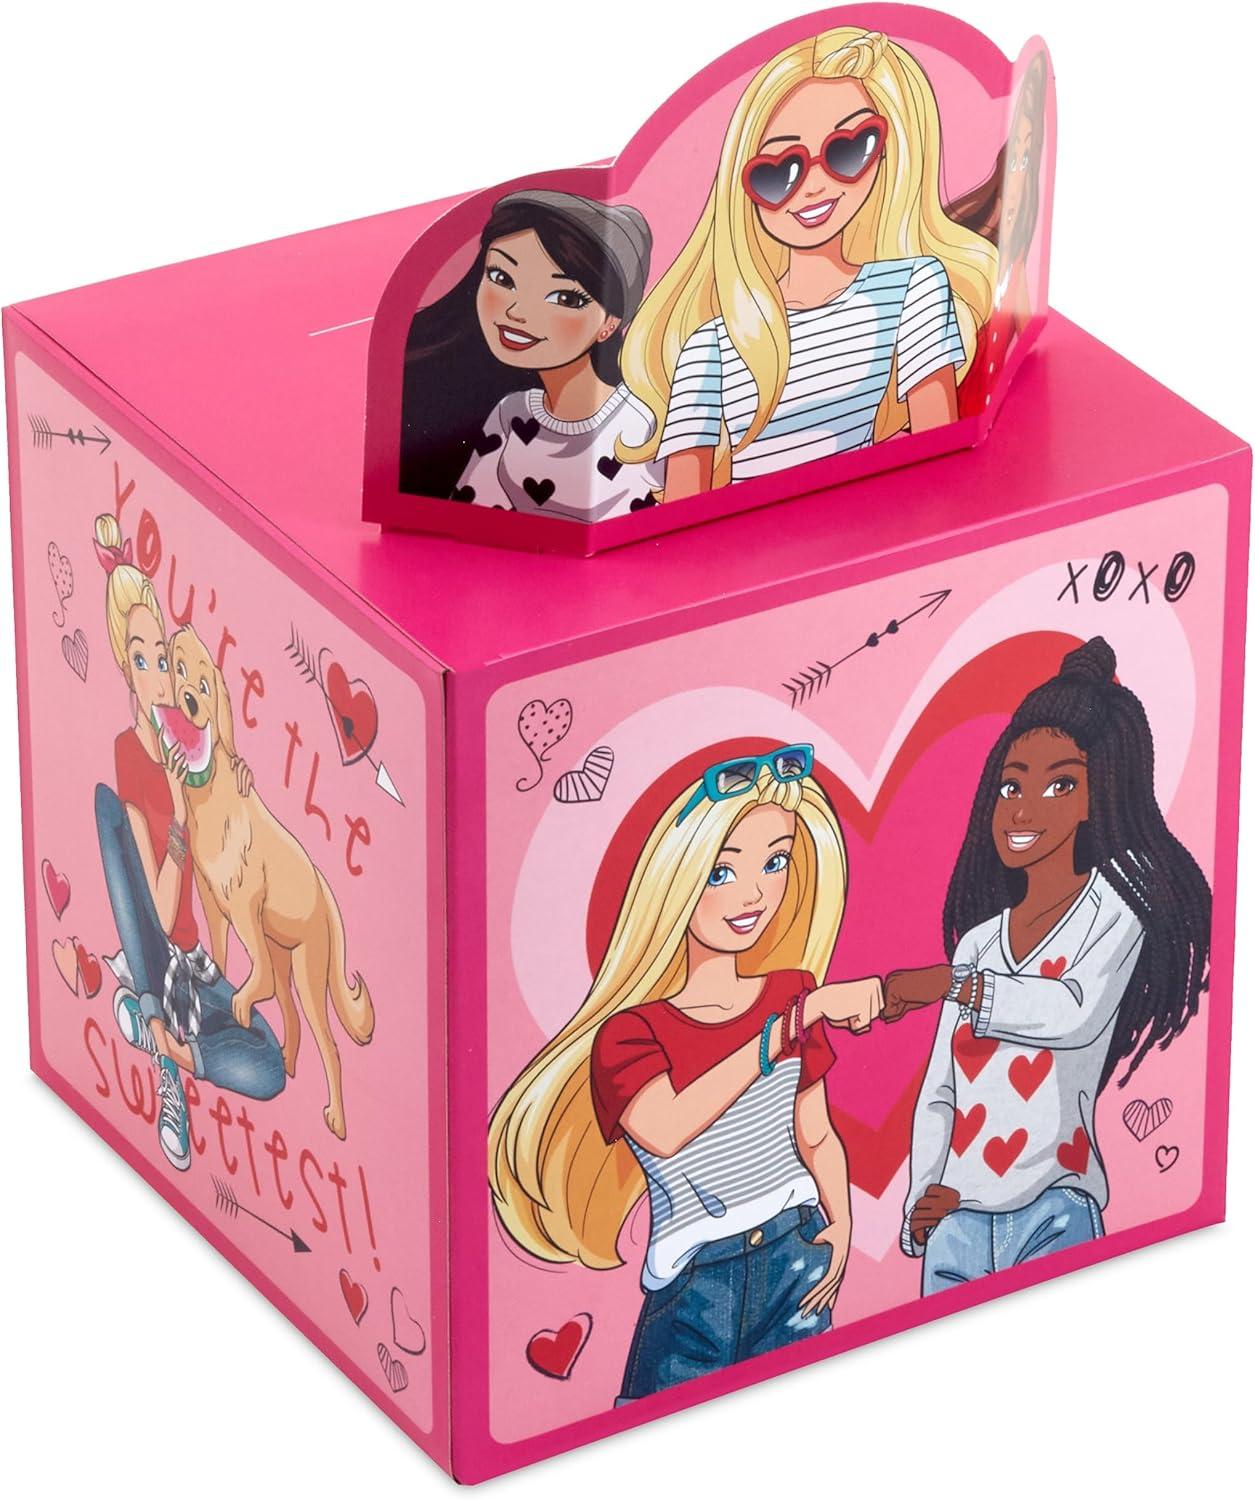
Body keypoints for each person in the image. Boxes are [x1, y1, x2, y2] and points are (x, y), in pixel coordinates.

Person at [489, 744, 884, 1401]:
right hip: (697, 1283)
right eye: (722, 872)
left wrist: (840, 1222)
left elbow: (813, 1133)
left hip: (797, 1250)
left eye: (775, 862)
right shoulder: (629, 1033)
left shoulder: (788, 989)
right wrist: (796, 1020)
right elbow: (668, 1129)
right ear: (677, 879)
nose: (753, 894)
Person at [884, 638, 1211, 1292]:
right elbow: (940, 1091)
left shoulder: (1113, 914)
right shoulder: (980, 942)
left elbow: (1070, 1013)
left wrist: (951, 985)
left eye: (1060, 784)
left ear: (1098, 795)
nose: (1023, 807)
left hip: (1054, 1207)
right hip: (956, 1222)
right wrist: (922, 1196)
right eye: (1011, 785)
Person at [617, 26, 995, 497]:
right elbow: (684, 506)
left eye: (847, 151)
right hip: (749, 537)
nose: (814, 187)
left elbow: (937, 455)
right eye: (780, 172)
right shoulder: (711, 345)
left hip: (878, 516)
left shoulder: (913, 287)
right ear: (743, 186)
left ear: (885, 155)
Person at [92, 514, 285, 1172]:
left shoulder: (192, 744)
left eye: (161, 656)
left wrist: (236, 781)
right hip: (154, 932)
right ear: (127, 668)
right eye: (141, 659)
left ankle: (171, 1048)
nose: (157, 674)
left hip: (197, 963)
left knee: (270, 1065)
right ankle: (156, 1030)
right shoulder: (129, 753)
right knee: (106, 812)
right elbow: (159, 898)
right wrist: (176, 814)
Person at [400, 189, 661, 520]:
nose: (517, 312)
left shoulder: (644, 422)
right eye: (501, 278)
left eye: (565, 298)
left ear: (611, 322)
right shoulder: (512, 413)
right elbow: (472, 513)